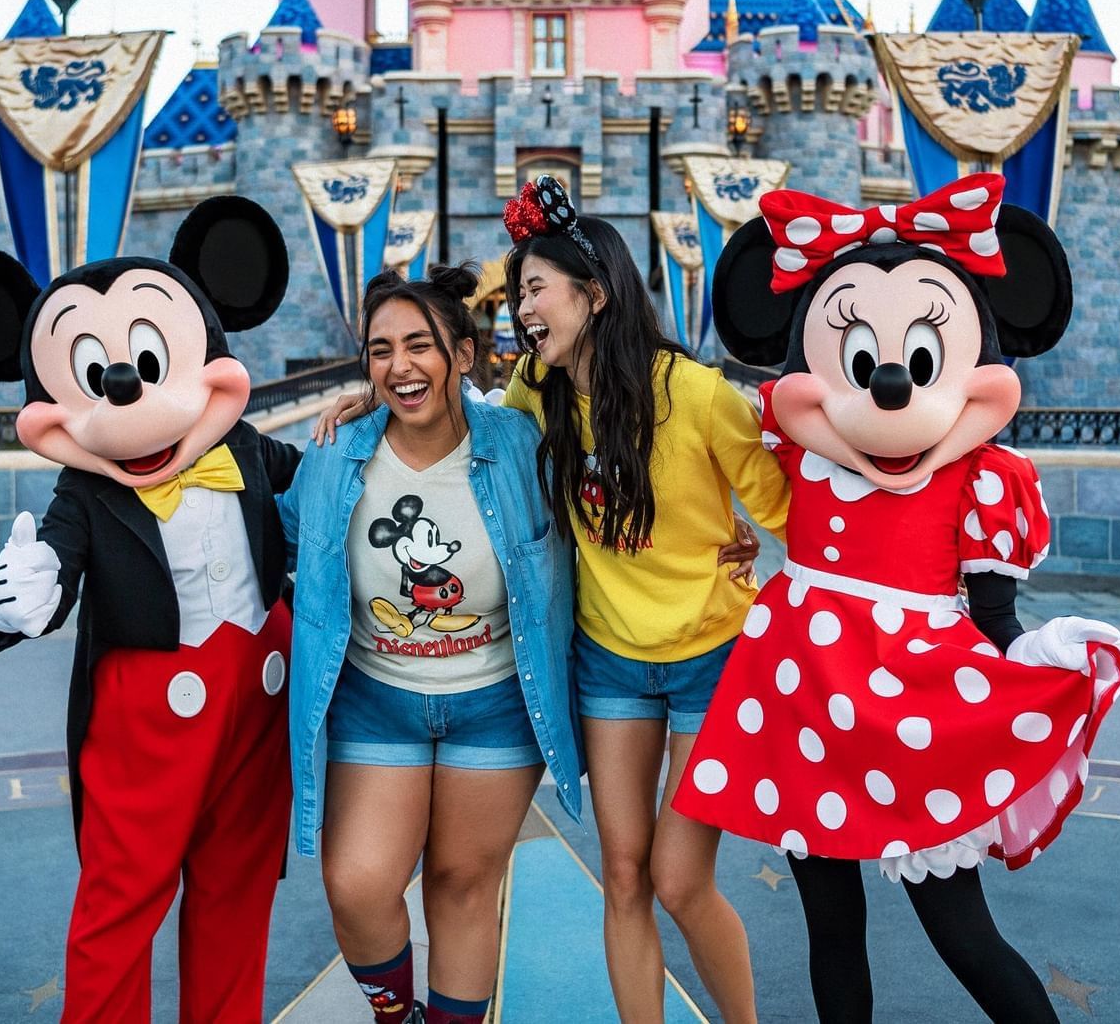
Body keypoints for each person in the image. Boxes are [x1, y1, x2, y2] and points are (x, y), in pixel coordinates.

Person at [674, 174, 1120, 1023]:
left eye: (916, 361)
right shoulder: (796, 453)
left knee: (959, 929)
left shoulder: (981, 476)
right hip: (808, 700)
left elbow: (997, 618)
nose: (890, 385)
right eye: (862, 362)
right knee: (830, 925)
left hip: (915, 714)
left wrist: (1043, 658)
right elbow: (679, 416)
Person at [317, 176, 783, 1021]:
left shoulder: (702, 396)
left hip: (708, 660)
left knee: (680, 880)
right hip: (607, 665)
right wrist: (369, 402)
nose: (522, 306)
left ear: (594, 294)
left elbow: (796, 509)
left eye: (535, 287)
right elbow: (469, 419)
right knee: (623, 875)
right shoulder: (538, 392)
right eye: (519, 288)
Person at [0, 196, 299, 1023]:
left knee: (235, 894)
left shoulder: (244, 449)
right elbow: (53, 565)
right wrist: (15, 599)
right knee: (118, 905)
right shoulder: (83, 490)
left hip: (257, 704)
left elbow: (324, 489)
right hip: (145, 724)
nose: (130, 388)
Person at [281, 264, 582, 1024]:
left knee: (460, 883)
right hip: (375, 702)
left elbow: (619, 473)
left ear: (465, 353)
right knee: (356, 882)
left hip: (495, 704)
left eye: (419, 345)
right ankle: (395, 1015)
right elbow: (268, 527)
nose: (398, 366)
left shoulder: (523, 444)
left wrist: (725, 533)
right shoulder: (334, 452)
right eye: (380, 351)